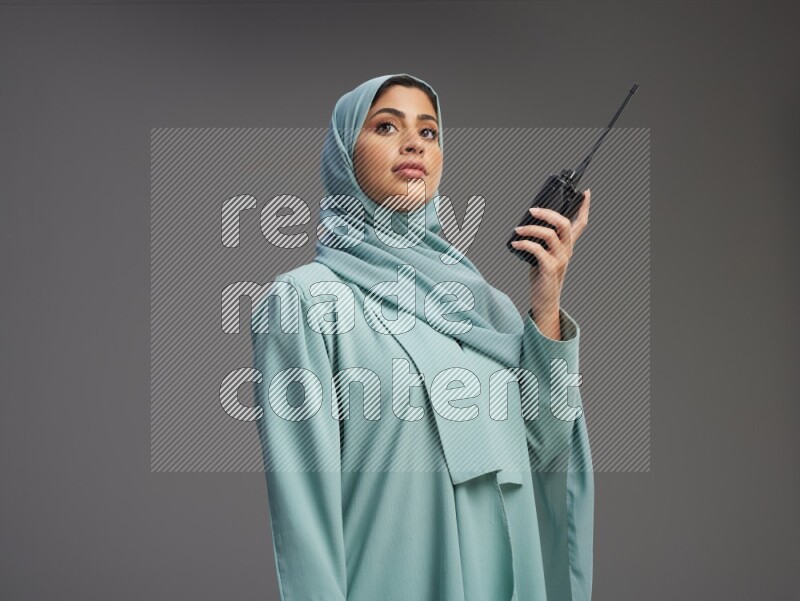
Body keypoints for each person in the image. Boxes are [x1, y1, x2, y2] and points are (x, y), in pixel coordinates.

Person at [250, 73, 594, 601]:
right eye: (386, 126)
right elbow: (304, 511)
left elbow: (546, 451)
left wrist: (546, 301)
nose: (414, 143)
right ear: (345, 152)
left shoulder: (491, 310)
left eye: (429, 132)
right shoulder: (307, 300)